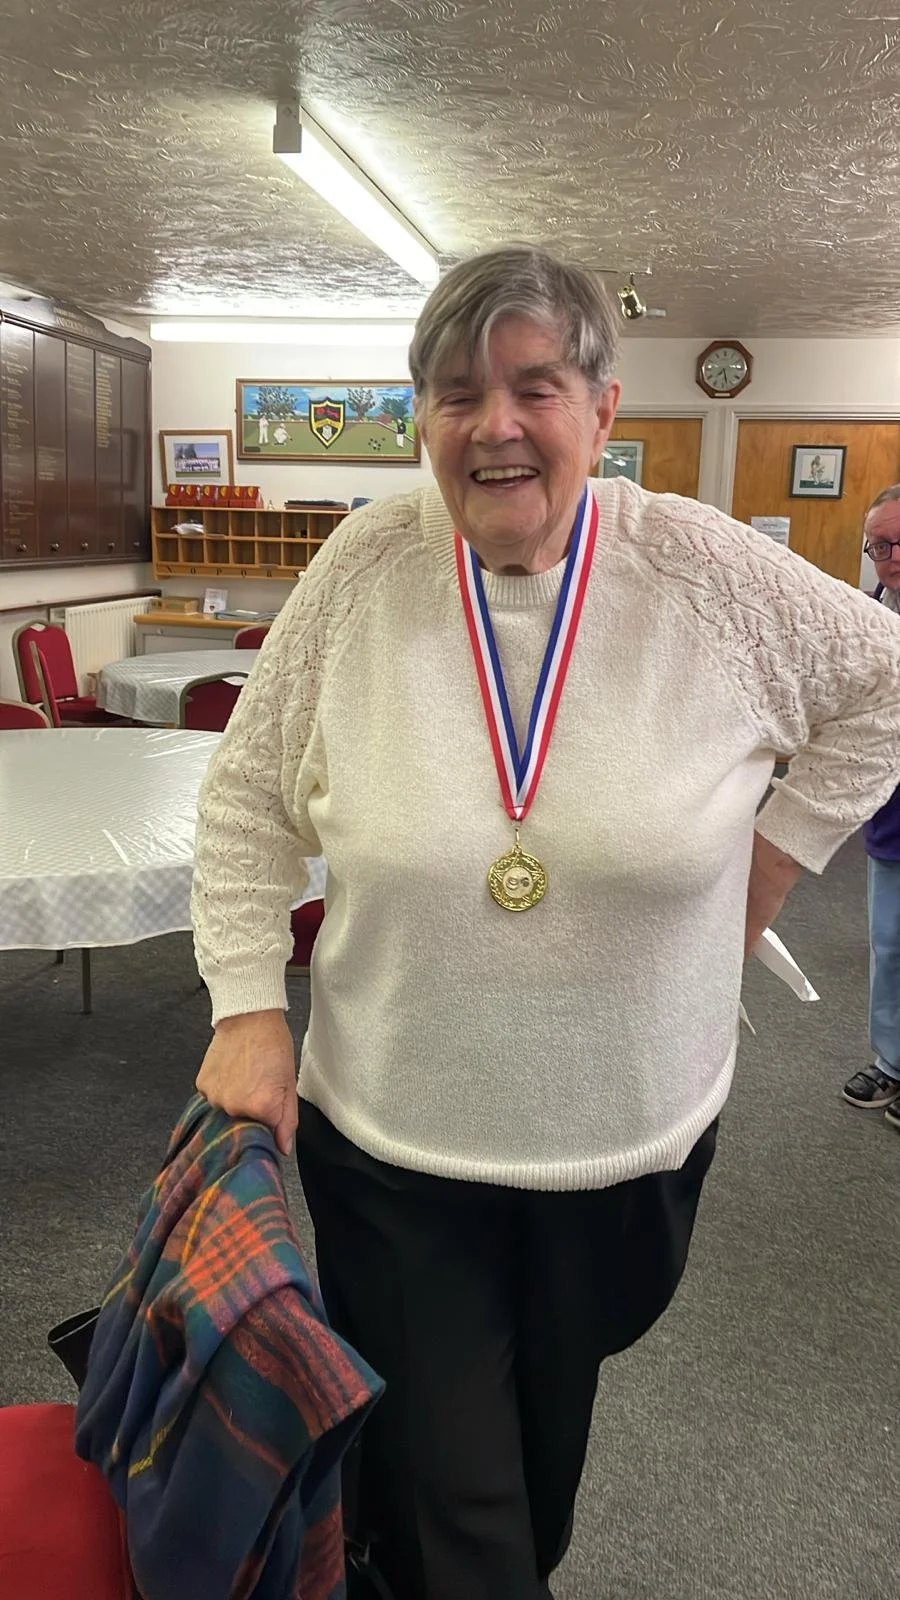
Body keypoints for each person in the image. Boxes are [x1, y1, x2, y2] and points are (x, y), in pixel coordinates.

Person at [191, 244, 900, 1600]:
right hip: (398, 1133)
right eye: (457, 394)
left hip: (627, 1134)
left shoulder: (701, 570)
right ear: (421, 419)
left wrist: (772, 862)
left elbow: (887, 682)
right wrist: (245, 1005)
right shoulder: (363, 567)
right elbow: (244, 801)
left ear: (603, 409)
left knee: (534, 1445)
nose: (495, 426)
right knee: (455, 1490)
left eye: (534, 387)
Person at [842, 486, 900, 1127]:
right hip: (892, 818)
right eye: (879, 545)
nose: (891, 555)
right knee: (890, 944)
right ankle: (892, 1061)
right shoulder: (866, 615)